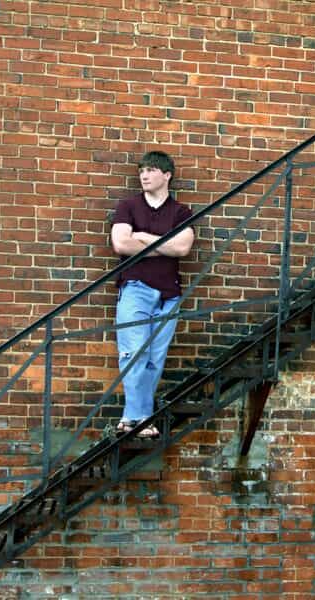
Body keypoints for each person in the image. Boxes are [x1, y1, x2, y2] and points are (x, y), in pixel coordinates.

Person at [110, 151, 195, 437]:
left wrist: (144, 238)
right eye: (142, 171)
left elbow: (183, 248)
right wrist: (162, 244)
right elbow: (121, 243)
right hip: (135, 288)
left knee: (154, 358)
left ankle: (133, 419)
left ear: (166, 175)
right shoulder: (129, 206)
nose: (144, 175)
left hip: (169, 294)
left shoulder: (180, 212)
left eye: (151, 170)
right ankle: (139, 419)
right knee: (133, 353)